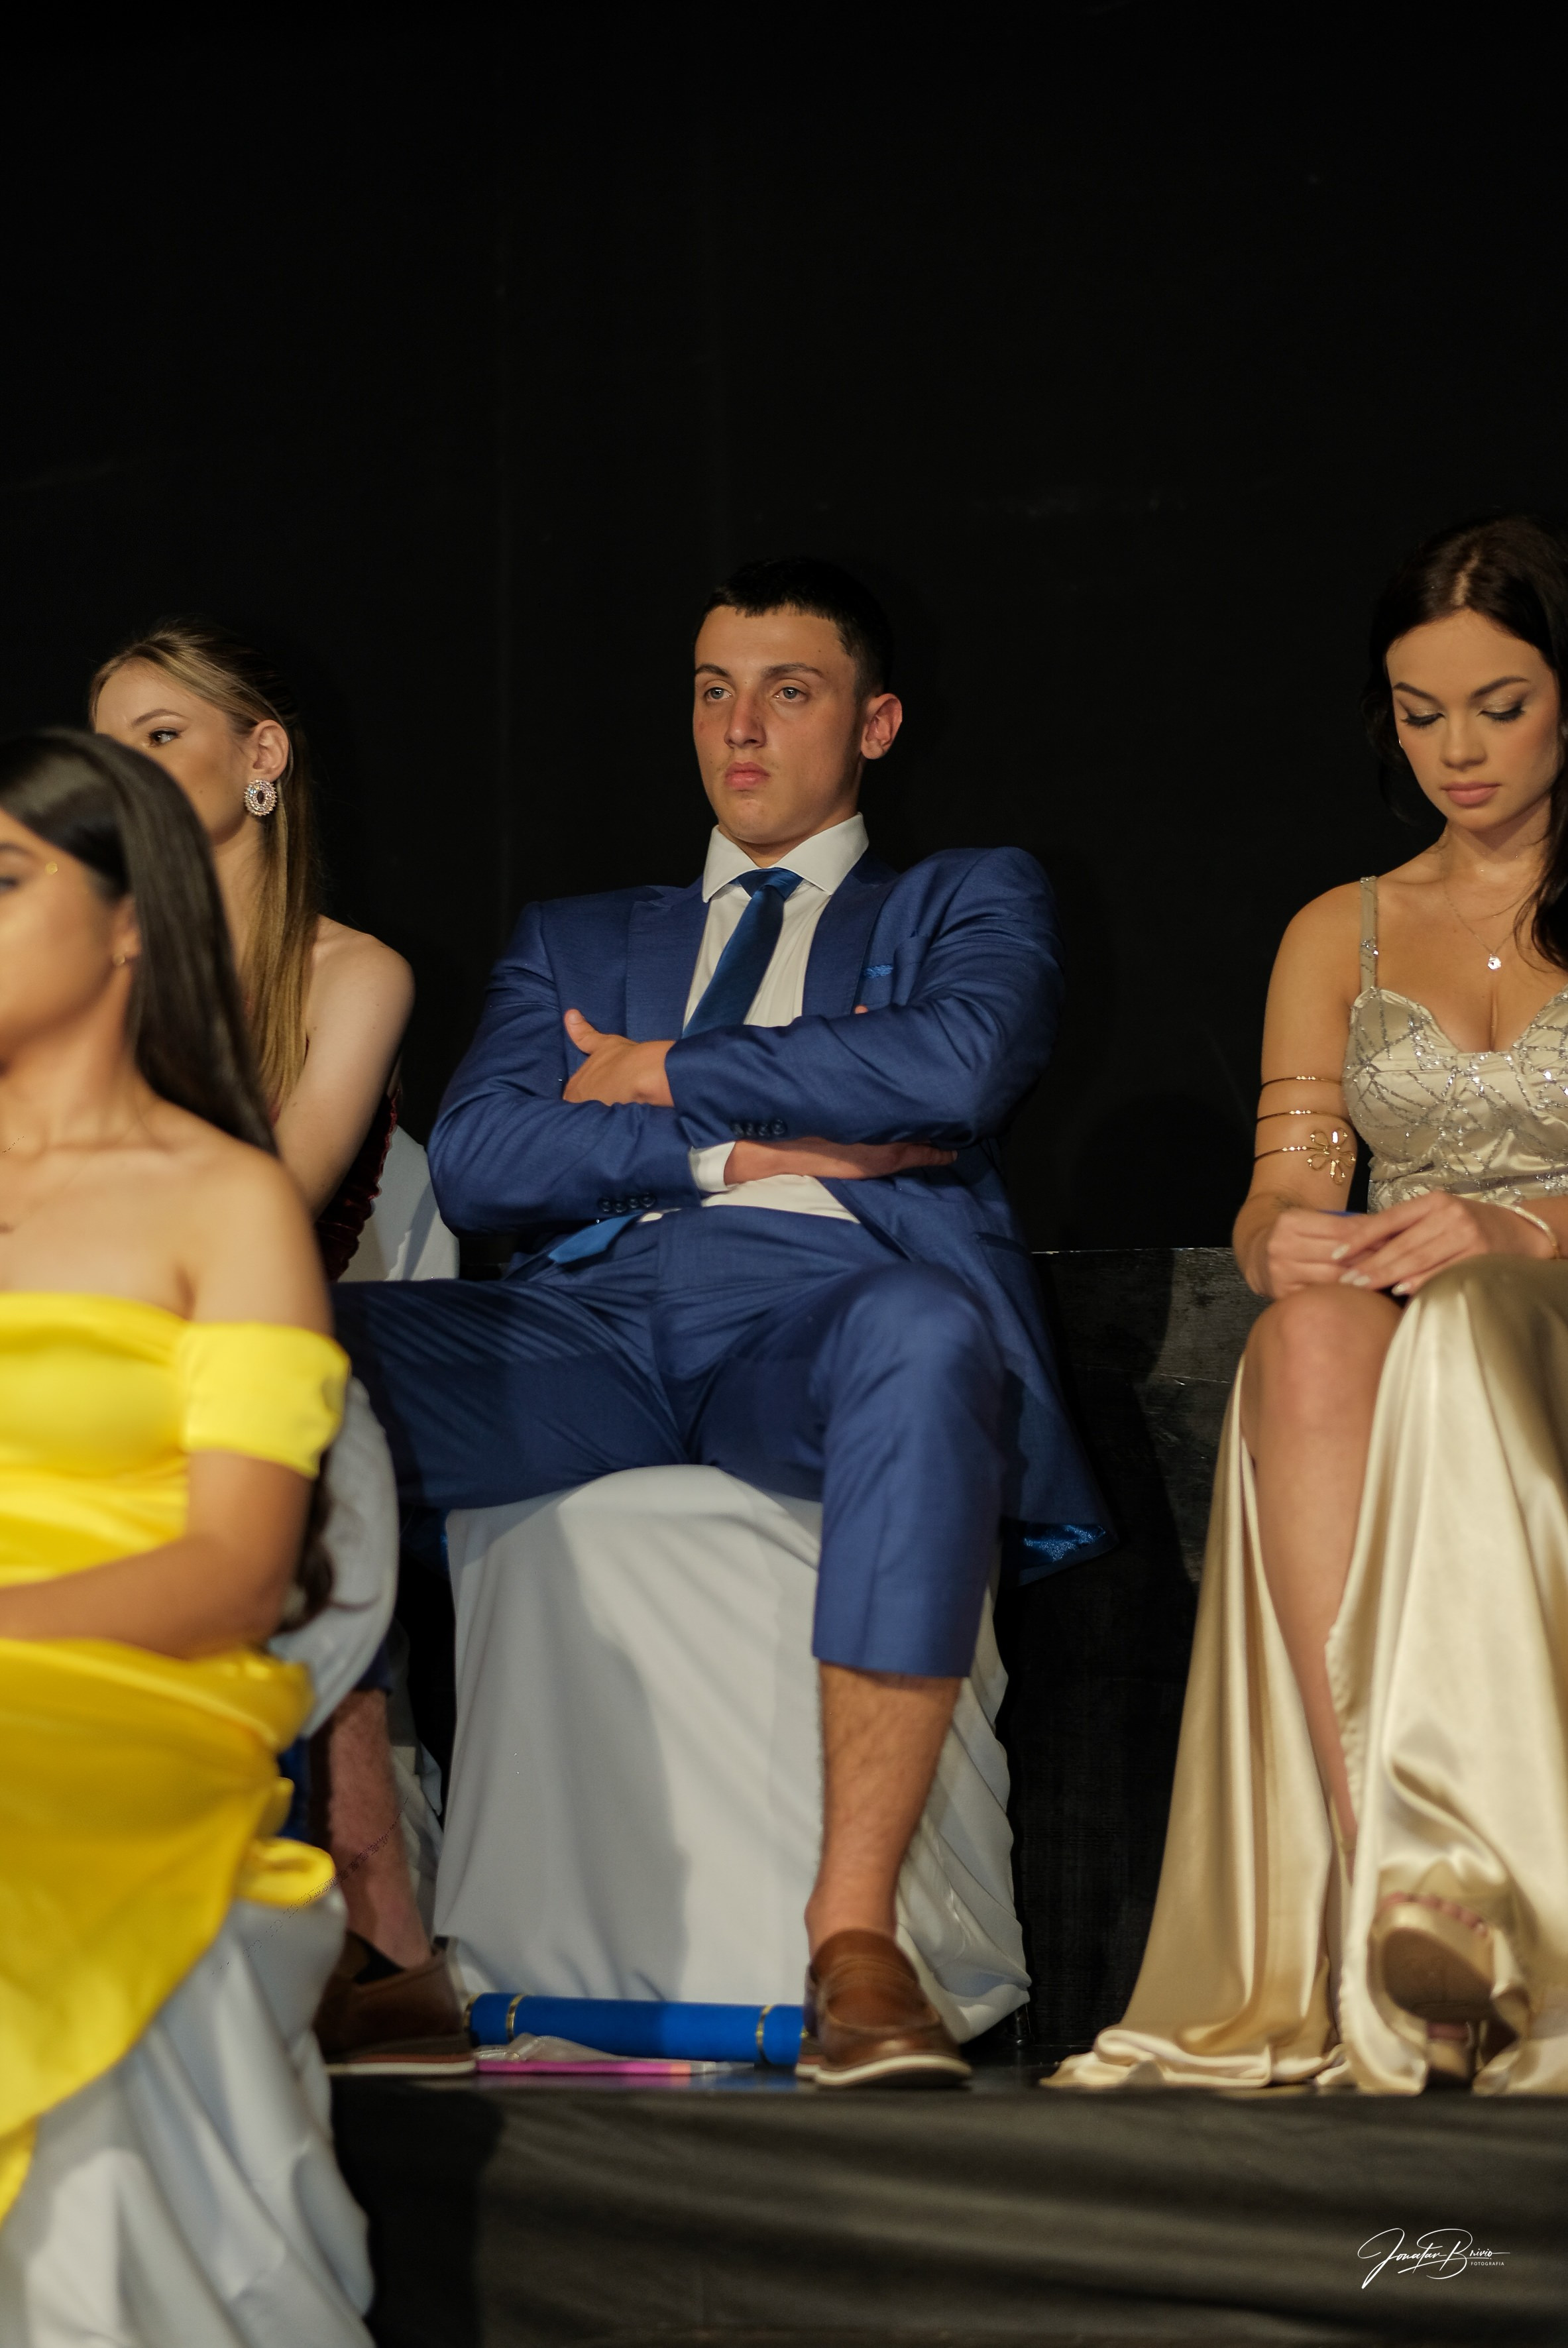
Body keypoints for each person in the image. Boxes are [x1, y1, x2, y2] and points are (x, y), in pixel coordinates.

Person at [334, 556, 1110, 2088]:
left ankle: (854, 1939)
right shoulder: (575, 935)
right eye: (712, 691)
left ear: (875, 723)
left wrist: (660, 1071)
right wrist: (739, 1147)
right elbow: (483, 1158)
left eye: (787, 690)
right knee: (284, 1360)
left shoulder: (964, 896)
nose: (739, 727)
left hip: (820, 1322)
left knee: (922, 1330)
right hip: (589, 1333)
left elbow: (952, 1068)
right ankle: (384, 1934)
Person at [1058, 512, 1568, 2097]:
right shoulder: (1337, 926)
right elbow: (1287, 1178)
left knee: (1467, 1317)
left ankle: (1483, 1890)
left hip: (1535, 1303)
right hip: (1419, 1310)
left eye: (1498, 705)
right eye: (1419, 714)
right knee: (1306, 1334)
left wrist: (1518, 1225)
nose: (1456, 750)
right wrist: (1281, 1238)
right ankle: (1390, 1885)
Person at [0, 731, 372, 2339]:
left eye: (1, 881)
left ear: (130, 919)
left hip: (127, 1684)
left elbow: (236, 1565)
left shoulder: (224, 1200)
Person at [89, 626, 459, 2058]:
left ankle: (342, 1928)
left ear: (262, 757)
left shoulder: (352, 973)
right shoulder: (82, 970)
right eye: (108, 745)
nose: (125, 770)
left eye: (161, 735)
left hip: (259, 1369)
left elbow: (273, 1201)